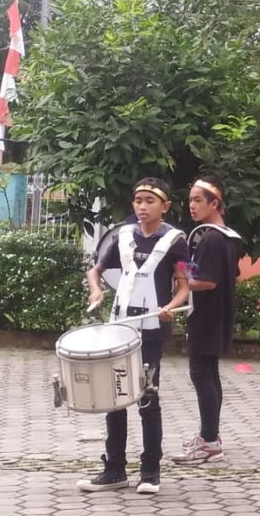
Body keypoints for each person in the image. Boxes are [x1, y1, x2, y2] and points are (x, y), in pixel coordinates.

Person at [80, 177, 191, 495]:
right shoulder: (123, 235)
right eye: (138, 201)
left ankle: (151, 471)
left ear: (165, 206)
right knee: (114, 399)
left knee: (147, 398)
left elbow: (183, 284)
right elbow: (95, 270)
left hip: (152, 331)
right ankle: (114, 469)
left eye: (149, 201)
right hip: (119, 329)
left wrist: (169, 306)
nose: (142, 207)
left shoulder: (175, 240)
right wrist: (96, 291)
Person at [172, 175, 241, 465]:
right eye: (190, 200)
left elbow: (206, 281)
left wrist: (178, 275)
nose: (192, 206)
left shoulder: (210, 237)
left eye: (198, 200)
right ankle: (209, 435)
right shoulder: (225, 236)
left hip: (206, 315)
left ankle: (210, 442)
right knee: (208, 373)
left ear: (215, 203)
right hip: (217, 314)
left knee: (201, 374)